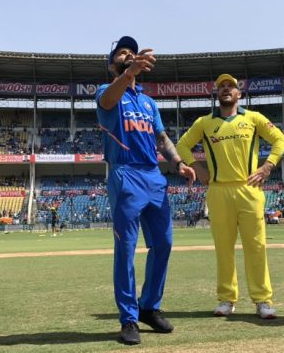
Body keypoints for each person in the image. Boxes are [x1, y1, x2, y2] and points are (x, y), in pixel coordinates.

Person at [96, 36, 196, 345]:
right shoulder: (106, 91)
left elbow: (162, 139)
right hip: (125, 173)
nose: (128, 55)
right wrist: (127, 74)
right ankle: (128, 318)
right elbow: (109, 100)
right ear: (113, 64)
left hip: (153, 176)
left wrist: (178, 162)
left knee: (164, 243)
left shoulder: (149, 102)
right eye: (122, 53)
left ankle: (148, 307)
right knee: (126, 249)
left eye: (132, 52)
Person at [176, 73, 284, 320]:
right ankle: (227, 299)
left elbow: (280, 139)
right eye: (221, 87)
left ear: (239, 94)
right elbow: (182, 146)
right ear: (217, 94)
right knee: (223, 248)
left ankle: (262, 300)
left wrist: (267, 166)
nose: (226, 89)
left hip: (249, 189)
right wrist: (197, 166)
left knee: (256, 247)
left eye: (231, 86)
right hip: (218, 191)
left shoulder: (254, 118)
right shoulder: (204, 122)